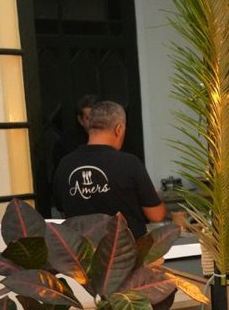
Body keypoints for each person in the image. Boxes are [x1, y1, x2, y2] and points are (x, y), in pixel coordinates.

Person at [52, 100, 167, 235]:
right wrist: (156, 196)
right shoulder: (129, 163)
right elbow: (156, 215)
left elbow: (64, 213)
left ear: (90, 126)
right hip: (125, 251)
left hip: (82, 253)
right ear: (119, 129)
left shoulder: (65, 165)